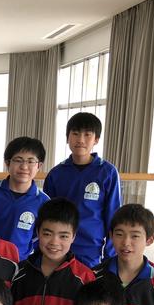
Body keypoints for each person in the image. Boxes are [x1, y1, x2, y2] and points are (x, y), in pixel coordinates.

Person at [43, 112, 121, 267]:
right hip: (58, 247)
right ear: (67, 138)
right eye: (75, 134)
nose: (80, 140)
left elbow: (113, 215)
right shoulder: (56, 174)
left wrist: (110, 256)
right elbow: (46, 216)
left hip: (91, 249)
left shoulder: (107, 172)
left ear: (96, 139)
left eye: (87, 135)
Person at [0, 136, 50, 260]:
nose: (24, 167)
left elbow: (41, 236)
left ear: (39, 165)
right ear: (7, 163)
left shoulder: (44, 202)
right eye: (18, 160)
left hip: (21, 262)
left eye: (31, 161)